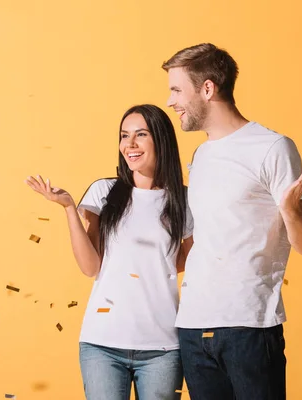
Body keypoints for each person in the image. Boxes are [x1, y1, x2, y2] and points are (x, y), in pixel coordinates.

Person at [161, 43, 302, 399]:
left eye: (176, 90)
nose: (171, 102)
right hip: (193, 326)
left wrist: (291, 210)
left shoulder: (272, 147)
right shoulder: (201, 154)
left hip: (248, 325)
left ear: (207, 88)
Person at [25, 104, 194, 400]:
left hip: (163, 346)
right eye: (124, 135)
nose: (129, 145)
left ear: (161, 139)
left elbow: (182, 261)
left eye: (140, 135)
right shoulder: (104, 192)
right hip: (101, 343)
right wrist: (68, 208)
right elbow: (91, 267)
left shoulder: (184, 199)